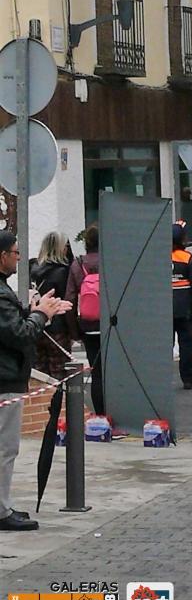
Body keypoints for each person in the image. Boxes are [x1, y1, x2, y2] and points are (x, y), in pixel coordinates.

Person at [0, 231, 72, 531]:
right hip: (5, 379)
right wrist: (41, 314)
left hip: (7, 377)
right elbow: (19, 334)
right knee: (5, 448)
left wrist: (36, 311)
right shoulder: (0, 293)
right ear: (2, 255)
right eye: (15, 251)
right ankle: (1, 512)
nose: (19, 257)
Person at [65, 226, 103, 415]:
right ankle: (117, 416)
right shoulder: (109, 261)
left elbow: (70, 299)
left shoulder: (78, 265)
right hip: (110, 325)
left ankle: (102, 416)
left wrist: (75, 332)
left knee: (96, 372)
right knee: (112, 370)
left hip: (88, 325)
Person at [30, 232, 72, 379]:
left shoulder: (32, 269)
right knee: (59, 373)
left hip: (37, 325)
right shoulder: (63, 271)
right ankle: (58, 402)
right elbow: (68, 300)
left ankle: (44, 402)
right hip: (57, 329)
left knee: (40, 374)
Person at [172, 221, 192, 390]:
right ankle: (187, 379)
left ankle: (161, 379)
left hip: (164, 310)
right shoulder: (187, 257)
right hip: (185, 309)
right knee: (186, 344)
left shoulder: (159, 257)